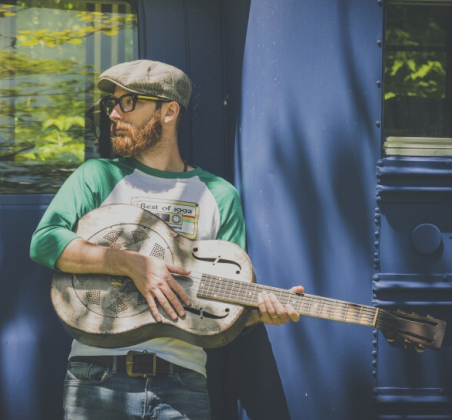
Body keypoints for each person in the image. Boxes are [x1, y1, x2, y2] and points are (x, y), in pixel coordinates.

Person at [30, 59, 303, 419]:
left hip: (182, 384)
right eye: (113, 102)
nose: (114, 113)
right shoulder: (97, 176)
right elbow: (45, 241)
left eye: (128, 102)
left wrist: (257, 315)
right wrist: (131, 264)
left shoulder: (219, 195)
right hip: (97, 376)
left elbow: (222, 302)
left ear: (169, 110)